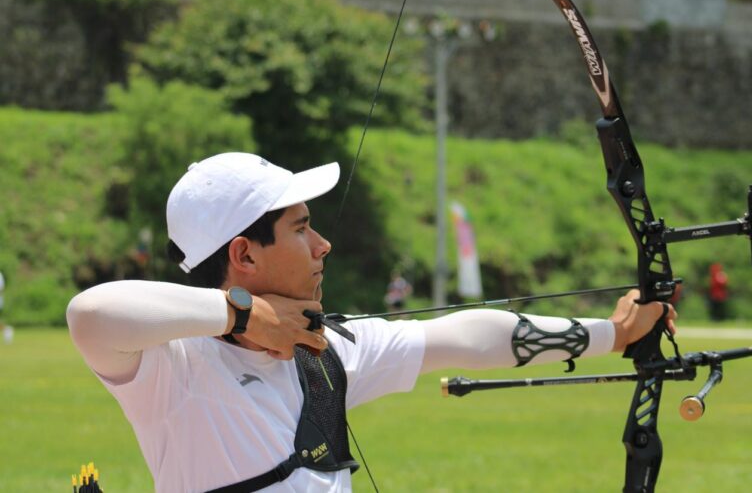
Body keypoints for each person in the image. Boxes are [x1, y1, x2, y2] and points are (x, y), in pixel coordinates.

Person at [66, 152, 677, 492]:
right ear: (244, 255)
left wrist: (610, 333)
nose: (323, 245)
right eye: (302, 228)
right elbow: (91, 315)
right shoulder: (178, 368)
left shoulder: (327, 350)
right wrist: (243, 316)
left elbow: (468, 335)